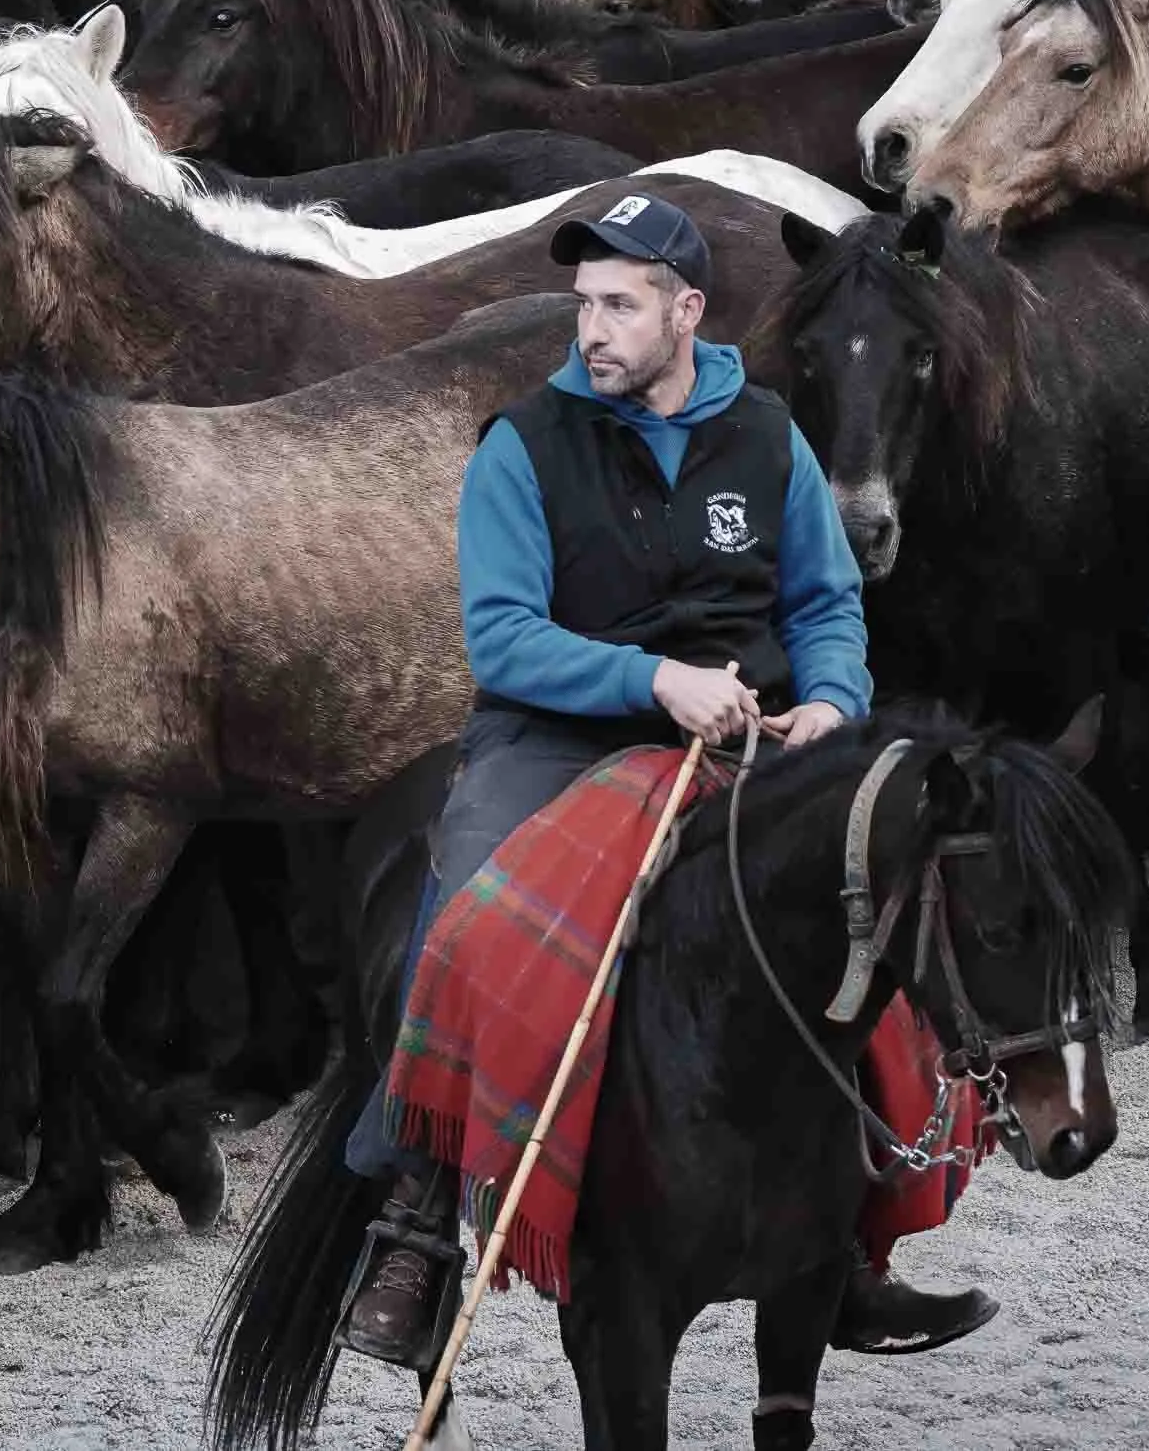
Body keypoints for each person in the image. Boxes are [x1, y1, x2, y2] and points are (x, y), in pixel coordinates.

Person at [341, 193, 998, 1368]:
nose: (590, 328)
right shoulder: (522, 445)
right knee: (460, 923)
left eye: (618, 304)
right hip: (556, 737)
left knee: (869, 907)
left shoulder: (765, 434)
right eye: (583, 303)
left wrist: (832, 701)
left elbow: (823, 601)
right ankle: (411, 1221)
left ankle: (850, 1240)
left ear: (685, 310)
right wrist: (655, 682)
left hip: (749, 728)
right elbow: (500, 639)